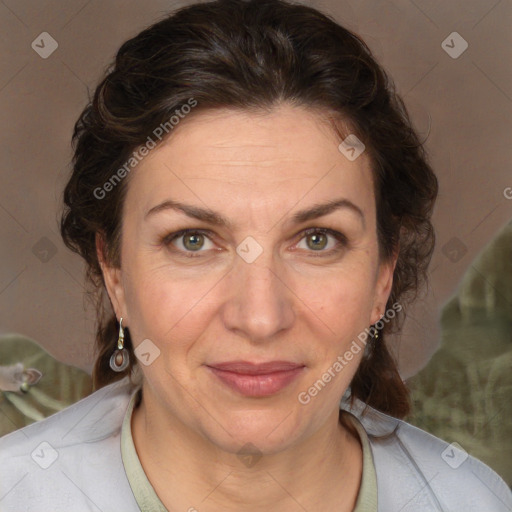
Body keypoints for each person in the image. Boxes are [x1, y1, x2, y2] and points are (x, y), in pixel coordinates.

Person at [0, 0, 510, 510]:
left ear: (383, 275)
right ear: (114, 272)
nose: (261, 317)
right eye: (192, 240)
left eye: (317, 239)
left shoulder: (471, 500)